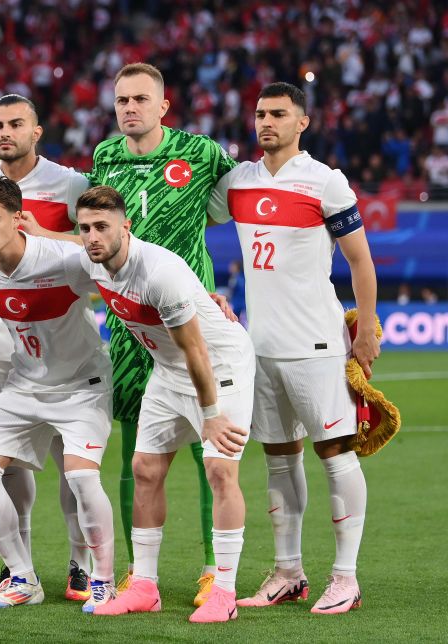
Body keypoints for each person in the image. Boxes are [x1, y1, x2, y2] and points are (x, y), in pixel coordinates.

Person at [209, 81, 379, 615]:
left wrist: (368, 326)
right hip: (259, 346)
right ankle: (288, 572)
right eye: (260, 113)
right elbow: (190, 219)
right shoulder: (237, 181)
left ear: (302, 122)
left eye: (278, 114)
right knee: (279, 460)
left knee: (335, 455)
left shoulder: (326, 183)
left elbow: (360, 260)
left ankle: (346, 578)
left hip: (318, 343)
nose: (266, 122)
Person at [82, 63, 238, 604]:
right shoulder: (104, 156)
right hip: (130, 325)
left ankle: (213, 568)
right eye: (122, 99)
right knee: (135, 447)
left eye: (140, 99)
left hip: (186, 311)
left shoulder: (201, 153)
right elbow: (96, 226)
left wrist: (213, 290)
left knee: (206, 448)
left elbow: (238, 194)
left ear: (163, 106)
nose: (130, 108)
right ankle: (136, 570)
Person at [70, 186, 254, 623]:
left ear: (125, 226)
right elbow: (52, 247)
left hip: (220, 364)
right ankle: (146, 587)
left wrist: (210, 417)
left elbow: (197, 353)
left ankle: (224, 592)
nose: (92, 237)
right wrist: (32, 228)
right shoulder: (90, 258)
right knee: (145, 470)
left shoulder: (159, 272)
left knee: (220, 469)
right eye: (84, 229)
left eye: (101, 227)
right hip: (168, 371)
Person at [0, 176, 116, 611]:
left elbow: (123, 274)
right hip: (24, 385)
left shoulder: (65, 260)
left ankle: (103, 580)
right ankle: (22, 577)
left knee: (80, 477)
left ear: (18, 219)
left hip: (82, 385)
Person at [0, 94, 95, 602]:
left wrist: (45, 232)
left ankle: (80, 564)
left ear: (36, 131)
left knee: (73, 458)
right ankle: (15, 566)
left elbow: (95, 243)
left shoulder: (69, 183)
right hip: (3, 342)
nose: (6, 132)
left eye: (16, 124)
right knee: (9, 462)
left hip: (62, 333)